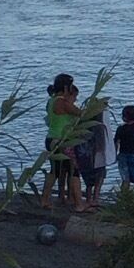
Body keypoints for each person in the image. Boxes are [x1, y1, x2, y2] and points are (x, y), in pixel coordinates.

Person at [45, 75, 83, 212]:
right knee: (74, 170)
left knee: (55, 171)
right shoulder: (62, 102)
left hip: (51, 138)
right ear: (66, 87)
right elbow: (81, 114)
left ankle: (45, 199)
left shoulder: (52, 100)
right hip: (62, 140)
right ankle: (79, 203)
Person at [75, 98, 111, 208]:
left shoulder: (82, 119)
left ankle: (89, 199)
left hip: (83, 153)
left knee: (88, 177)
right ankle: (95, 198)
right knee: (99, 175)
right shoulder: (99, 121)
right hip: (95, 152)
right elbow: (102, 138)